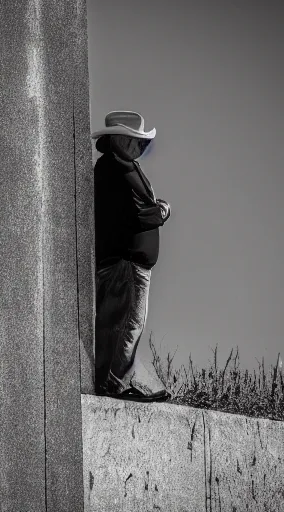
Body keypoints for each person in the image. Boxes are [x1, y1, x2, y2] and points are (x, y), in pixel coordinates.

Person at [91, 110, 171, 401]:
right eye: (136, 141)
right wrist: (161, 211)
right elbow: (138, 213)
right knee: (128, 322)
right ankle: (116, 382)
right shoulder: (113, 169)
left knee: (125, 321)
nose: (140, 148)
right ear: (119, 140)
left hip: (130, 263)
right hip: (125, 264)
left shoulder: (121, 167)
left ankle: (116, 379)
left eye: (142, 143)